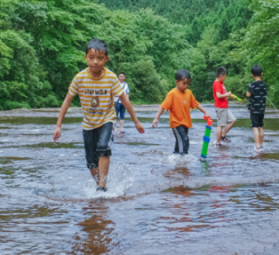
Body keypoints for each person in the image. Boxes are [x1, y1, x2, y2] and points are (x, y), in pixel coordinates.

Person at [53, 39, 145, 192]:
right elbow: (67, 101)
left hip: (106, 120)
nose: (95, 62)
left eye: (100, 58)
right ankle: (100, 184)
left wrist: (136, 121)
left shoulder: (110, 78)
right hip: (88, 124)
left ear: (106, 59)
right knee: (91, 163)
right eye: (91, 57)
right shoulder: (79, 78)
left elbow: (124, 100)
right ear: (86, 57)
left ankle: (102, 186)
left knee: (103, 147)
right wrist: (58, 125)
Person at [153, 70, 211, 155]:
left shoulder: (189, 93)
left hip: (185, 123)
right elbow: (163, 106)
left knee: (179, 141)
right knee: (185, 140)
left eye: (188, 83)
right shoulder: (172, 94)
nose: (186, 86)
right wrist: (156, 118)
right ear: (177, 82)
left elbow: (196, 104)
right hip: (176, 123)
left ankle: (176, 158)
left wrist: (205, 112)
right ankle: (183, 159)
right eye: (184, 83)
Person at [245, 65, 267, 153]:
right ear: (262, 74)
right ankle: (260, 145)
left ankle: (257, 146)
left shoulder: (253, 84)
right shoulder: (264, 84)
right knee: (260, 127)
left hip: (254, 108)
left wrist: (249, 87)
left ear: (252, 75)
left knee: (254, 127)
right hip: (262, 109)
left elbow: (248, 95)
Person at [212, 66, 237, 144]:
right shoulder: (217, 84)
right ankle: (218, 142)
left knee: (233, 120)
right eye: (225, 76)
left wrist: (228, 95)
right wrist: (227, 95)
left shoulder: (221, 83)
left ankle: (223, 135)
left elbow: (223, 94)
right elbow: (218, 95)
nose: (225, 78)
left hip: (224, 106)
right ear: (221, 76)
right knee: (220, 125)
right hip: (220, 107)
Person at [114, 72, 130, 137]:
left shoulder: (126, 85)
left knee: (122, 116)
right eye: (120, 76)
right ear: (118, 77)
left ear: (124, 77)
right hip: (116, 102)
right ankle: (115, 129)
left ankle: (121, 129)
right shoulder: (116, 84)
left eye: (122, 76)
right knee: (115, 116)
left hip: (123, 103)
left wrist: (127, 102)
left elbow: (127, 93)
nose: (121, 77)